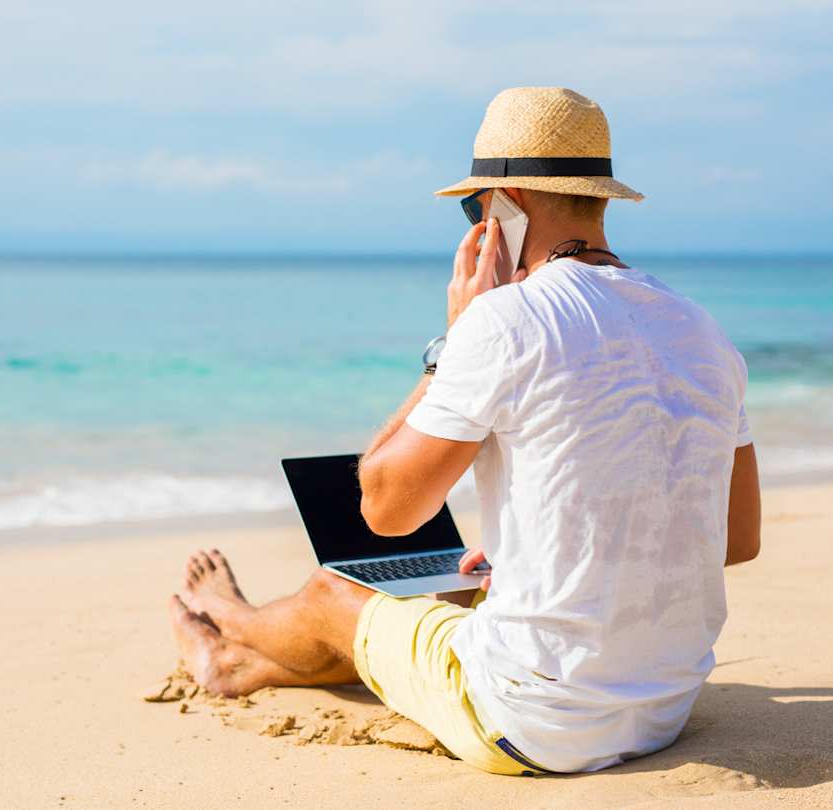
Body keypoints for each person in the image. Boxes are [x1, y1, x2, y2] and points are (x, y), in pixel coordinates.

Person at [167, 87, 761, 776]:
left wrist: (449, 344)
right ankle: (250, 665)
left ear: (505, 202)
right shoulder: (701, 329)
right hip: (664, 710)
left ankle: (228, 631)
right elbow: (735, 540)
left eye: (473, 208)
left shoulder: (506, 319)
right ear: (597, 199)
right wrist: (545, 548)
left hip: (531, 725)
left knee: (333, 592)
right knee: (455, 588)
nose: (475, 223)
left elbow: (385, 510)